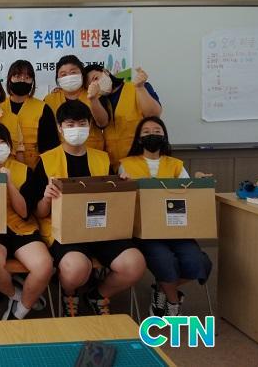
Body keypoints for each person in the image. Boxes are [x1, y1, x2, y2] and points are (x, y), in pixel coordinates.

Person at [32, 100, 146, 317]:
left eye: (82, 123)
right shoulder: (46, 161)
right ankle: (69, 294)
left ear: (90, 125)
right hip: (64, 232)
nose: (76, 129)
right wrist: (46, 198)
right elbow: (39, 213)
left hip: (101, 228)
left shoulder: (102, 158)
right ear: (60, 128)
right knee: (76, 268)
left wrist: (121, 185)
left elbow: (112, 201)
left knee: (134, 263)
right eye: (70, 124)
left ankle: (98, 295)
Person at [119, 116, 212, 317]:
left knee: (198, 262)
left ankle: (161, 289)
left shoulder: (176, 165)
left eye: (157, 131)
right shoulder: (126, 165)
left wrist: (198, 182)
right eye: (146, 132)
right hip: (145, 231)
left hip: (176, 228)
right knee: (165, 260)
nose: (152, 135)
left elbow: (189, 195)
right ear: (139, 138)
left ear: (164, 136)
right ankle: (173, 301)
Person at [0, 122, 52, 320]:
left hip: (21, 229)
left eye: (2, 142)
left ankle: (19, 312)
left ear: (10, 146)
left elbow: (24, 213)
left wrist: (9, 183)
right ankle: (15, 294)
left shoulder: (24, 171)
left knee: (44, 265)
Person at [84, 64, 161, 171]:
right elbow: (102, 123)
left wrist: (140, 88)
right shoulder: (98, 101)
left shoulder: (137, 87)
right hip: (114, 165)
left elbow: (153, 115)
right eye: (91, 84)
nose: (96, 84)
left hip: (142, 161)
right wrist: (94, 99)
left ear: (105, 72)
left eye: (96, 78)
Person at [2, 60, 59, 169]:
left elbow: (49, 148)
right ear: (9, 79)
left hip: (34, 170)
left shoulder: (43, 109)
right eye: (17, 76)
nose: (22, 80)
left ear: (32, 82)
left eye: (27, 77)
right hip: (2, 169)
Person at [43, 55, 109, 150]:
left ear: (82, 74)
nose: (69, 77)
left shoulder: (95, 94)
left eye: (73, 72)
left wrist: (93, 99)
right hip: (62, 152)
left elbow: (103, 123)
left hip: (93, 150)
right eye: (63, 74)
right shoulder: (50, 99)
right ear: (58, 79)